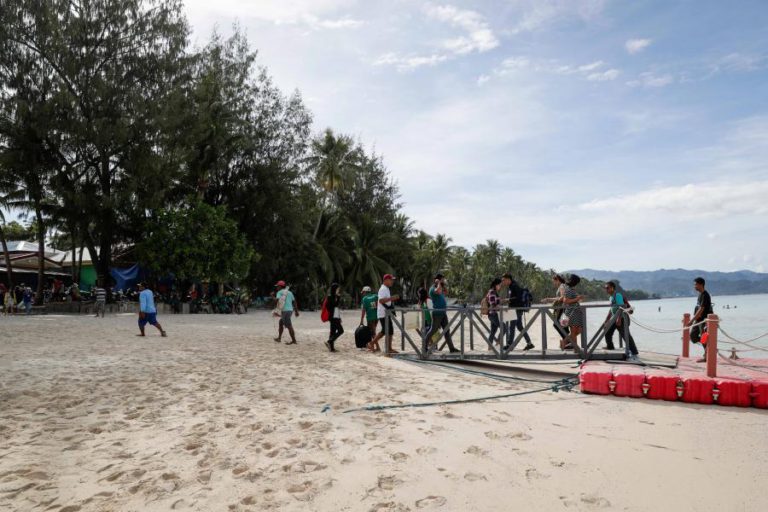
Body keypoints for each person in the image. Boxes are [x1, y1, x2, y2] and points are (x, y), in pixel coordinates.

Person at [603, 281, 639, 360]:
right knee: (606, 330)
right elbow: (611, 309)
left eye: (607, 288)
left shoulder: (617, 295)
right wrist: (606, 320)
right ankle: (610, 346)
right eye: (605, 288)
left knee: (626, 335)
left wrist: (619, 319)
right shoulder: (611, 297)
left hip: (622, 318)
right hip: (614, 318)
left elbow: (621, 307)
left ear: (612, 288)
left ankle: (634, 352)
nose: (606, 290)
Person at [424, 273, 459, 353]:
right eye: (442, 279)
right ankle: (424, 346)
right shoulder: (432, 288)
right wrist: (438, 283)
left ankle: (452, 348)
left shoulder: (440, 287)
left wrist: (442, 284)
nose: (443, 281)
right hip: (437, 313)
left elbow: (446, 292)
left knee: (447, 330)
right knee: (433, 330)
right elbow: (438, 292)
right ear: (437, 280)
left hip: (443, 312)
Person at [502, 273, 534, 351]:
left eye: (504, 280)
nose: (503, 282)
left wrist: (508, 300)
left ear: (508, 279)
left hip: (515, 309)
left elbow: (518, 298)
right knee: (519, 327)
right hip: (513, 309)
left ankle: (509, 345)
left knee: (511, 327)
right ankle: (529, 343)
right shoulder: (510, 286)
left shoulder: (514, 286)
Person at [369, 274, 399, 354]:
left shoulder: (386, 289)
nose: (392, 281)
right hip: (383, 313)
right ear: (386, 280)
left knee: (388, 330)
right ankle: (373, 344)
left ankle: (388, 348)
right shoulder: (383, 289)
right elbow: (381, 300)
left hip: (385, 312)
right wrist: (392, 298)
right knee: (386, 330)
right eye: (391, 280)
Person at [687, 277, 713, 362]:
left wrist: (691, 321)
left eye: (695, 285)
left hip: (703, 321)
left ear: (701, 284)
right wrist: (694, 319)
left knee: (703, 337)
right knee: (693, 337)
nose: (694, 286)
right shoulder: (700, 295)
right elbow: (698, 308)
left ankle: (707, 356)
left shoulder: (705, 295)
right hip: (698, 320)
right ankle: (709, 345)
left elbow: (701, 309)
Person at [560, 274, 585, 355]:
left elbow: (571, 300)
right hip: (572, 313)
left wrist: (578, 299)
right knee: (574, 331)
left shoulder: (571, 289)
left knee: (579, 330)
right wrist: (577, 298)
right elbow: (565, 301)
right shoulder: (568, 289)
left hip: (575, 312)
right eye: (577, 282)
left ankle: (564, 342)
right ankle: (575, 348)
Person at [273, 280, 299, 344]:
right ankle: (279, 338)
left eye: (277, 286)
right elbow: (294, 302)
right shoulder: (289, 292)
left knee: (289, 325)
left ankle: (294, 340)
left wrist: (272, 296)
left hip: (285, 311)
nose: (277, 287)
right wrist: (296, 311)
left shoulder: (279, 292)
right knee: (281, 322)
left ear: (280, 286)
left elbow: (276, 301)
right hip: (290, 310)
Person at [486, 278, 506, 349]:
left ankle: (490, 346)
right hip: (493, 314)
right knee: (504, 328)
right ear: (496, 285)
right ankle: (498, 341)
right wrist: (501, 307)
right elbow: (493, 304)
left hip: (493, 314)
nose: (500, 286)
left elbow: (497, 301)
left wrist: (503, 300)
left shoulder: (494, 292)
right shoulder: (492, 292)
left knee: (493, 331)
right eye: (499, 285)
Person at [325, 283, 344, 352]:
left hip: (336, 316)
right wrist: (338, 298)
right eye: (338, 289)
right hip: (333, 317)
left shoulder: (335, 297)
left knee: (332, 332)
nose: (339, 290)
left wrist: (339, 317)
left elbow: (337, 308)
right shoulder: (330, 297)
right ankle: (330, 341)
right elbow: (334, 305)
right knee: (341, 331)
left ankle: (331, 348)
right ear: (334, 289)